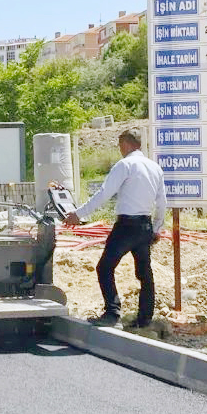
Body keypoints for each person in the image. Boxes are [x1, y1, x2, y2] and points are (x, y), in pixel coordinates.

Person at [65, 130, 166, 329]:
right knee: (145, 274)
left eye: (120, 145)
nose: (119, 150)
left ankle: (112, 313)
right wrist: (156, 228)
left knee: (105, 267)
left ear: (126, 144)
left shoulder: (125, 165)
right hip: (145, 225)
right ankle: (145, 319)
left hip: (126, 226)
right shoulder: (155, 168)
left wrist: (79, 214)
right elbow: (162, 203)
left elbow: (104, 194)